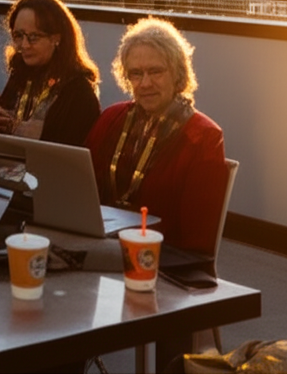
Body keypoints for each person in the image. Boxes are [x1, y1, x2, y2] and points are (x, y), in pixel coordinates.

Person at [85, 16, 228, 258]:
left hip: (161, 261)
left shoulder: (202, 137)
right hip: (103, 247)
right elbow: (82, 191)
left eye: (156, 71)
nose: (145, 83)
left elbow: (197, 243)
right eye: (136, 74)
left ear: (178, 73)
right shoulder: (110, 118)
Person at [0, 0, 101, 146]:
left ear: (56, 38)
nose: (24, 45)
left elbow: (71, 159)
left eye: (33, 37)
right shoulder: (20, 74)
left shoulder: (79, 92)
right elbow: (2, 139)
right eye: (18, 35)